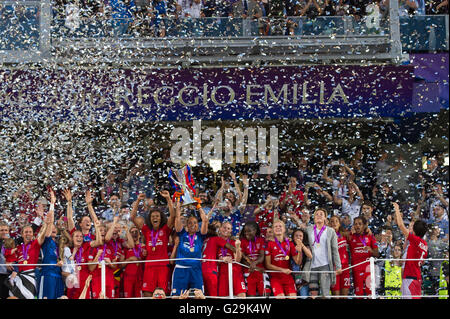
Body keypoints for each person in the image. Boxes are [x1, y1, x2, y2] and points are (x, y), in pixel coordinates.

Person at [131, 190, 175, 297]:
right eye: (153, 217)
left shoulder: (165, 229)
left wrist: (168, 198)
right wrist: (138, 201)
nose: (155, 218)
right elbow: (132, 218)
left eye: (157, 216)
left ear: (161, 218)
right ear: (149, 219)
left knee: (162, 293)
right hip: (149, 265)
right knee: (147, 292)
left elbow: (173, 216)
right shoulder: (146, 229)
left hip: (162, 265)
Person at [171, 197, 209, 297]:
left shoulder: (201, 236)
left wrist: (198, 206)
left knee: (199, 296)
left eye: (195, 223)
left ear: (198, 225)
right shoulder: (182, 234)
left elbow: (205, 220)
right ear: (186, 225)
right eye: (190, 223)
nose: (193, 225)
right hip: (181, 268)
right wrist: (178, 202)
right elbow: (177, 218)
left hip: (195, 269)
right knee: (177, 296)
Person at [303, 208, 342, 298]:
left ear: (325, 218)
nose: (319, 216)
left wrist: (338, 266)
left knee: (325, 293)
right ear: (314, 218)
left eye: (321, 214)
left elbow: (335, 250)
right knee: (313, 293)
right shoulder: (308, 230)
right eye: (317, 214)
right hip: (312, 265)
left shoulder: (330, 231)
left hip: (325, 266)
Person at [393, 202, 428, 299]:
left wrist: (397, 209)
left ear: (415, 231)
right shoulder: (425, 244)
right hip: (417, 277)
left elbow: (400, 225)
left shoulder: (415, 240)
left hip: (409, 277)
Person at [264, 219, 303, 298]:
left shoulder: (289, 243)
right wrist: (282, 270)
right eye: (276, 226)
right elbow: (267, 265)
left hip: (288, 277)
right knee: (280, 297)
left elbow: (298, 262)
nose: (278, 228)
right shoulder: (269, 244)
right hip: (275, 278)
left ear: (284, 229)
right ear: (273, 230)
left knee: (293, 297)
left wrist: (299, 252)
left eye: (280, 226)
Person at [38, 189, 66, 299]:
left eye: (55, 228)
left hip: (58, 275)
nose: (53, 228)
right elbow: (50, 222)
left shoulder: (59, 243)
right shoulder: (47, 240)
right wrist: (52, 204)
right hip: (48, 275)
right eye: (51, 228)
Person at [346, 215, 380, 297]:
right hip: (357, 270)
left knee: (370, 293)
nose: (357, 226)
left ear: (364, 225)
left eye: (360, 224)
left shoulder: (370, 236)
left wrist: (371, 250)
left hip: (368, 270)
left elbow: (377, 254)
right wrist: (350, 231)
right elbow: (340, 234)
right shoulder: (351, 236)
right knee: (359, 294)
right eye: (355, 224)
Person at [216, 221, 246, 298]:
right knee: (223, 298)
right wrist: (222, 259)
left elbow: (238, 259)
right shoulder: (216, 242)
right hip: (223, 274)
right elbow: (214, 260)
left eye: (228, 228)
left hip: (236, 273)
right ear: (220, 229)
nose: (226, 230)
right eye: (224, 227)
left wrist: (238, 247)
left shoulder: (234, 242)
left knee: (241, 296)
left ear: (231, 231)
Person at [239, 221, 267, 297]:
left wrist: (254, 263)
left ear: (255, 230)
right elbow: (243, 259)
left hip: (260, 272)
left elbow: (262, 256)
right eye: (245, 231)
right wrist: (252, 266)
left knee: (264, 295)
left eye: (249, 231)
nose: (246, 233)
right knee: (251, 296)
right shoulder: (242, 241)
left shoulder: (261, 240)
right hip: (248, 271)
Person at [329, 215, 350, 298]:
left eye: (336, 221)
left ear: (340, 224)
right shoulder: (326, 236)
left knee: (344, 295)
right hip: (334, 268)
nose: (334, 223)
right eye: (332, 221)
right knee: (336, 296)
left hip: (345, 267)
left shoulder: (345, 235)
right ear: (329, 224)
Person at [290, 228, 312, 298]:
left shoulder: (306, 245)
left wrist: (302, 245)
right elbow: (297, 262)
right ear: (293, 237)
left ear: (303, 237)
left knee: (304, 296)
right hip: (292, 277)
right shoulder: (290, 245)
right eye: (296, 236)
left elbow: (310, 255)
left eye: (300, 236)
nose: (298, 237)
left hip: (303, 278)